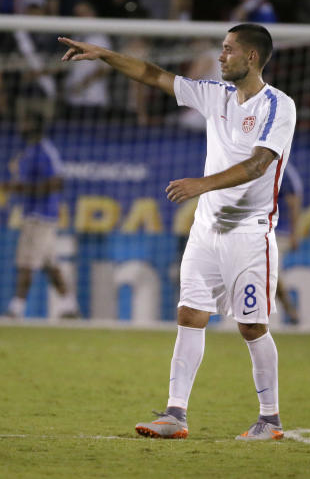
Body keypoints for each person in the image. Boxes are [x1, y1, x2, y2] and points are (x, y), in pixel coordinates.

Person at [59, 22, 296, 441]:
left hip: (249, 233)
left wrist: (201, 185)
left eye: (227, 49)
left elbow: (259, 164)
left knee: (251, 327)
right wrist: (106, 54)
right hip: (206, 230)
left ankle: (270, 419)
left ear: (251, 56)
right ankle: (175, 414)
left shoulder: (278, 106)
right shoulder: (215, 95)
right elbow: (154, 75)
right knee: (189, 315)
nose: (220, 56)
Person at [1, 107, 79, 320]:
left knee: (26, 262)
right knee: (50, 265)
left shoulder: (45, 150)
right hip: (34, 214)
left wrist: (21, 189)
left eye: (25, 122)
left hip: (41, 216)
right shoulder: (30, 150)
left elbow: (57, 182)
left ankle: (15, 309)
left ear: (34, 125)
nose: (21, 126)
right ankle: (69, 307)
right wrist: (17, 187)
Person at [275, 161, 303, 325]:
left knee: (270, 272)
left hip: (279, 232)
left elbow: (294, 202)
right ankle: (291, 312)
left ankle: (291, 312)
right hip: (257, 229)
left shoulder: (285, 170)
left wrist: (294, 234)